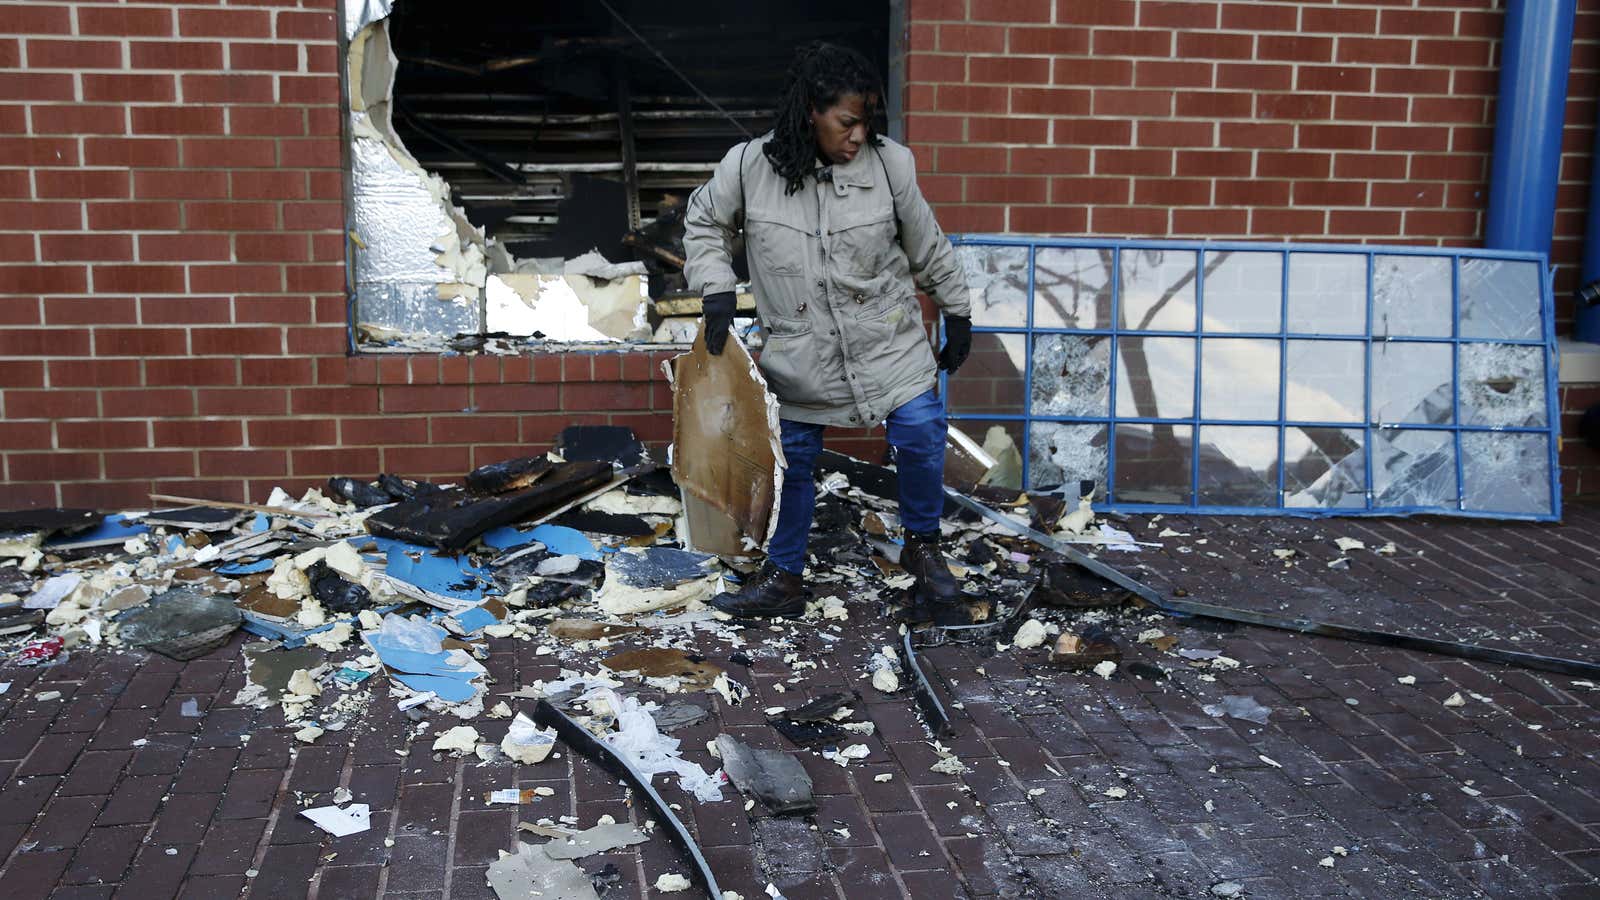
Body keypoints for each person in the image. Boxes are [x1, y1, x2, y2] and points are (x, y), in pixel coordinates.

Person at [683, 42, 972, 619]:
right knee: (793, 458)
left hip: (889, 342)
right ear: (811, 111)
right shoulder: (747, 167)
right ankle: (785, 578)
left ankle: (923, 548)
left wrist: (957, 310)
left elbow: (927, 244)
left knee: (919, 430)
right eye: (847, 122)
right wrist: (716, 286)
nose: (859, 135)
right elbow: (704, 223)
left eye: (866, 121)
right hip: (800, 352)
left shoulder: (890, 165)